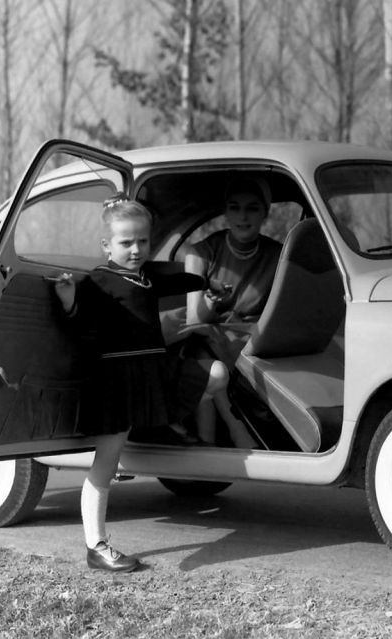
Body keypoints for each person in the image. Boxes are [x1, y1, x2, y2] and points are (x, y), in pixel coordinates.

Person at [51, 196, 204, 572]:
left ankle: (159, 432)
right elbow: (79, 325)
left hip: (146, 373)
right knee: (105, 462)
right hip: (116, 381)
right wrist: (68, 300)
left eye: (143, 241)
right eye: (126, 243)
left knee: (208, 377)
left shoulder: (144, 277)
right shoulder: (100, 281)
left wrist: (205, 280)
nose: (136, 250)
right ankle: (96, 546)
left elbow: (172, 281)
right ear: (107, 246)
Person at [170, 177, 282, 447]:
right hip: (210, 335)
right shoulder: (201, 252)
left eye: (252, 208)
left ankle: (213, 440)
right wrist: (211, 301)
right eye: (235, 208)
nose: (243, 217)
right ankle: (234, 431)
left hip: (256, 338)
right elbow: (196, 319)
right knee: (201, 344)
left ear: (265, 213)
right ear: (226, 212)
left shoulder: (279, 255)